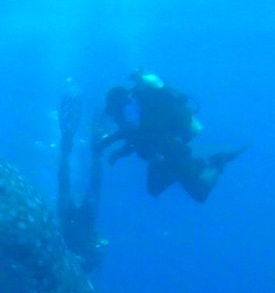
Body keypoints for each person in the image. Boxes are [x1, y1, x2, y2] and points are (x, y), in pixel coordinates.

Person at [100, 71, 245, 203]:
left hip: (173, 155)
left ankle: (217, 161)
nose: (115, 116)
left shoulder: (139, 114)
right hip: (169, 155)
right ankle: (204, 164)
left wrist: (109, 145)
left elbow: (135, 135)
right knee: (188, 191)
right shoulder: (143, 114)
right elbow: (136, 139)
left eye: (114, 108)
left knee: (200, 191)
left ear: (119, 102)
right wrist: (117, 152)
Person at [56, 94, 108, 273]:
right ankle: (85, 147)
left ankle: (75, 146)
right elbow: (96, 255)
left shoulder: (70, 264)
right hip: (78, 226)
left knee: (84, 187)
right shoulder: (82, 267)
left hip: (70, 226)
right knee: (71, 186)